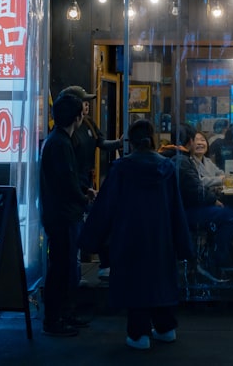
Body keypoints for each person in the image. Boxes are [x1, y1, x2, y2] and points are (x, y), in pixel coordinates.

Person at [79, 119, 193, 350]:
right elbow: (176, 209)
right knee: (160, 280)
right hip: (161, 236)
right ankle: (165, 327)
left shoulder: (122, 168)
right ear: (152, 139)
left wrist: (91, 238)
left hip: (129, 235)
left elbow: (106, 206)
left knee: (136, 284)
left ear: (130, 141)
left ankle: (139, 334)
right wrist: (183, 244)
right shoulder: (167, 167)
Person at [40, 92, 93, 337]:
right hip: (62, 216)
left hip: (59, 214)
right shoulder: (60, 143)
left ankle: (64, 314)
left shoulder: (57, 140)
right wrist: (84, 197)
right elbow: (66, 183)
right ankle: (54, 320)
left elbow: (68, 179)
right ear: (77, 117)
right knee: (61, 269)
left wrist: (82, 191)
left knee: (65, 267)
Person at [58, 85, 122, 282]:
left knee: (98, 223)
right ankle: (75, 276)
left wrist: (120, 143)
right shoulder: (63, 135)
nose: (86, 106)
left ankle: (103, 265)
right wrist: (82, 191)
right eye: (83, 102)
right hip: (76, 188)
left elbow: (101, 143)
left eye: (87, 102)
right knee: (77, 231)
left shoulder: (88, 124)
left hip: (86, 184)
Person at [174, 123, 233, 277]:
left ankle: (221, 257)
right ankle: (218, 259)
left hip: (199, 205)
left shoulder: (207, 161)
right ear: (189, 143)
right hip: (191, 209)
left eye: (203, 140)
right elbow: (199, 184)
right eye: (196, 140)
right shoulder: (186, 161)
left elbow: (221, 175)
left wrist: (219, 181)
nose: (200, 143)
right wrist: (215, 192)